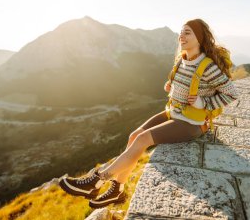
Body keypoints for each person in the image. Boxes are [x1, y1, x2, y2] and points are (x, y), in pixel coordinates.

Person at [59, 18, 239, 208]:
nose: (181, 36)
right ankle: (117, 190)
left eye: (188, 32)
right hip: (173, 114)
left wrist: (204, 102)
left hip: (192, 123)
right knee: (134, 135)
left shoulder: (208, 66)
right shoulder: (182, 60)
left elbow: (231, 94)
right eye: (181, 31)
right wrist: (172, 87)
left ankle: (97, 180)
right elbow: (187, 86)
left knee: (143, 138)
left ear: (200, 39)